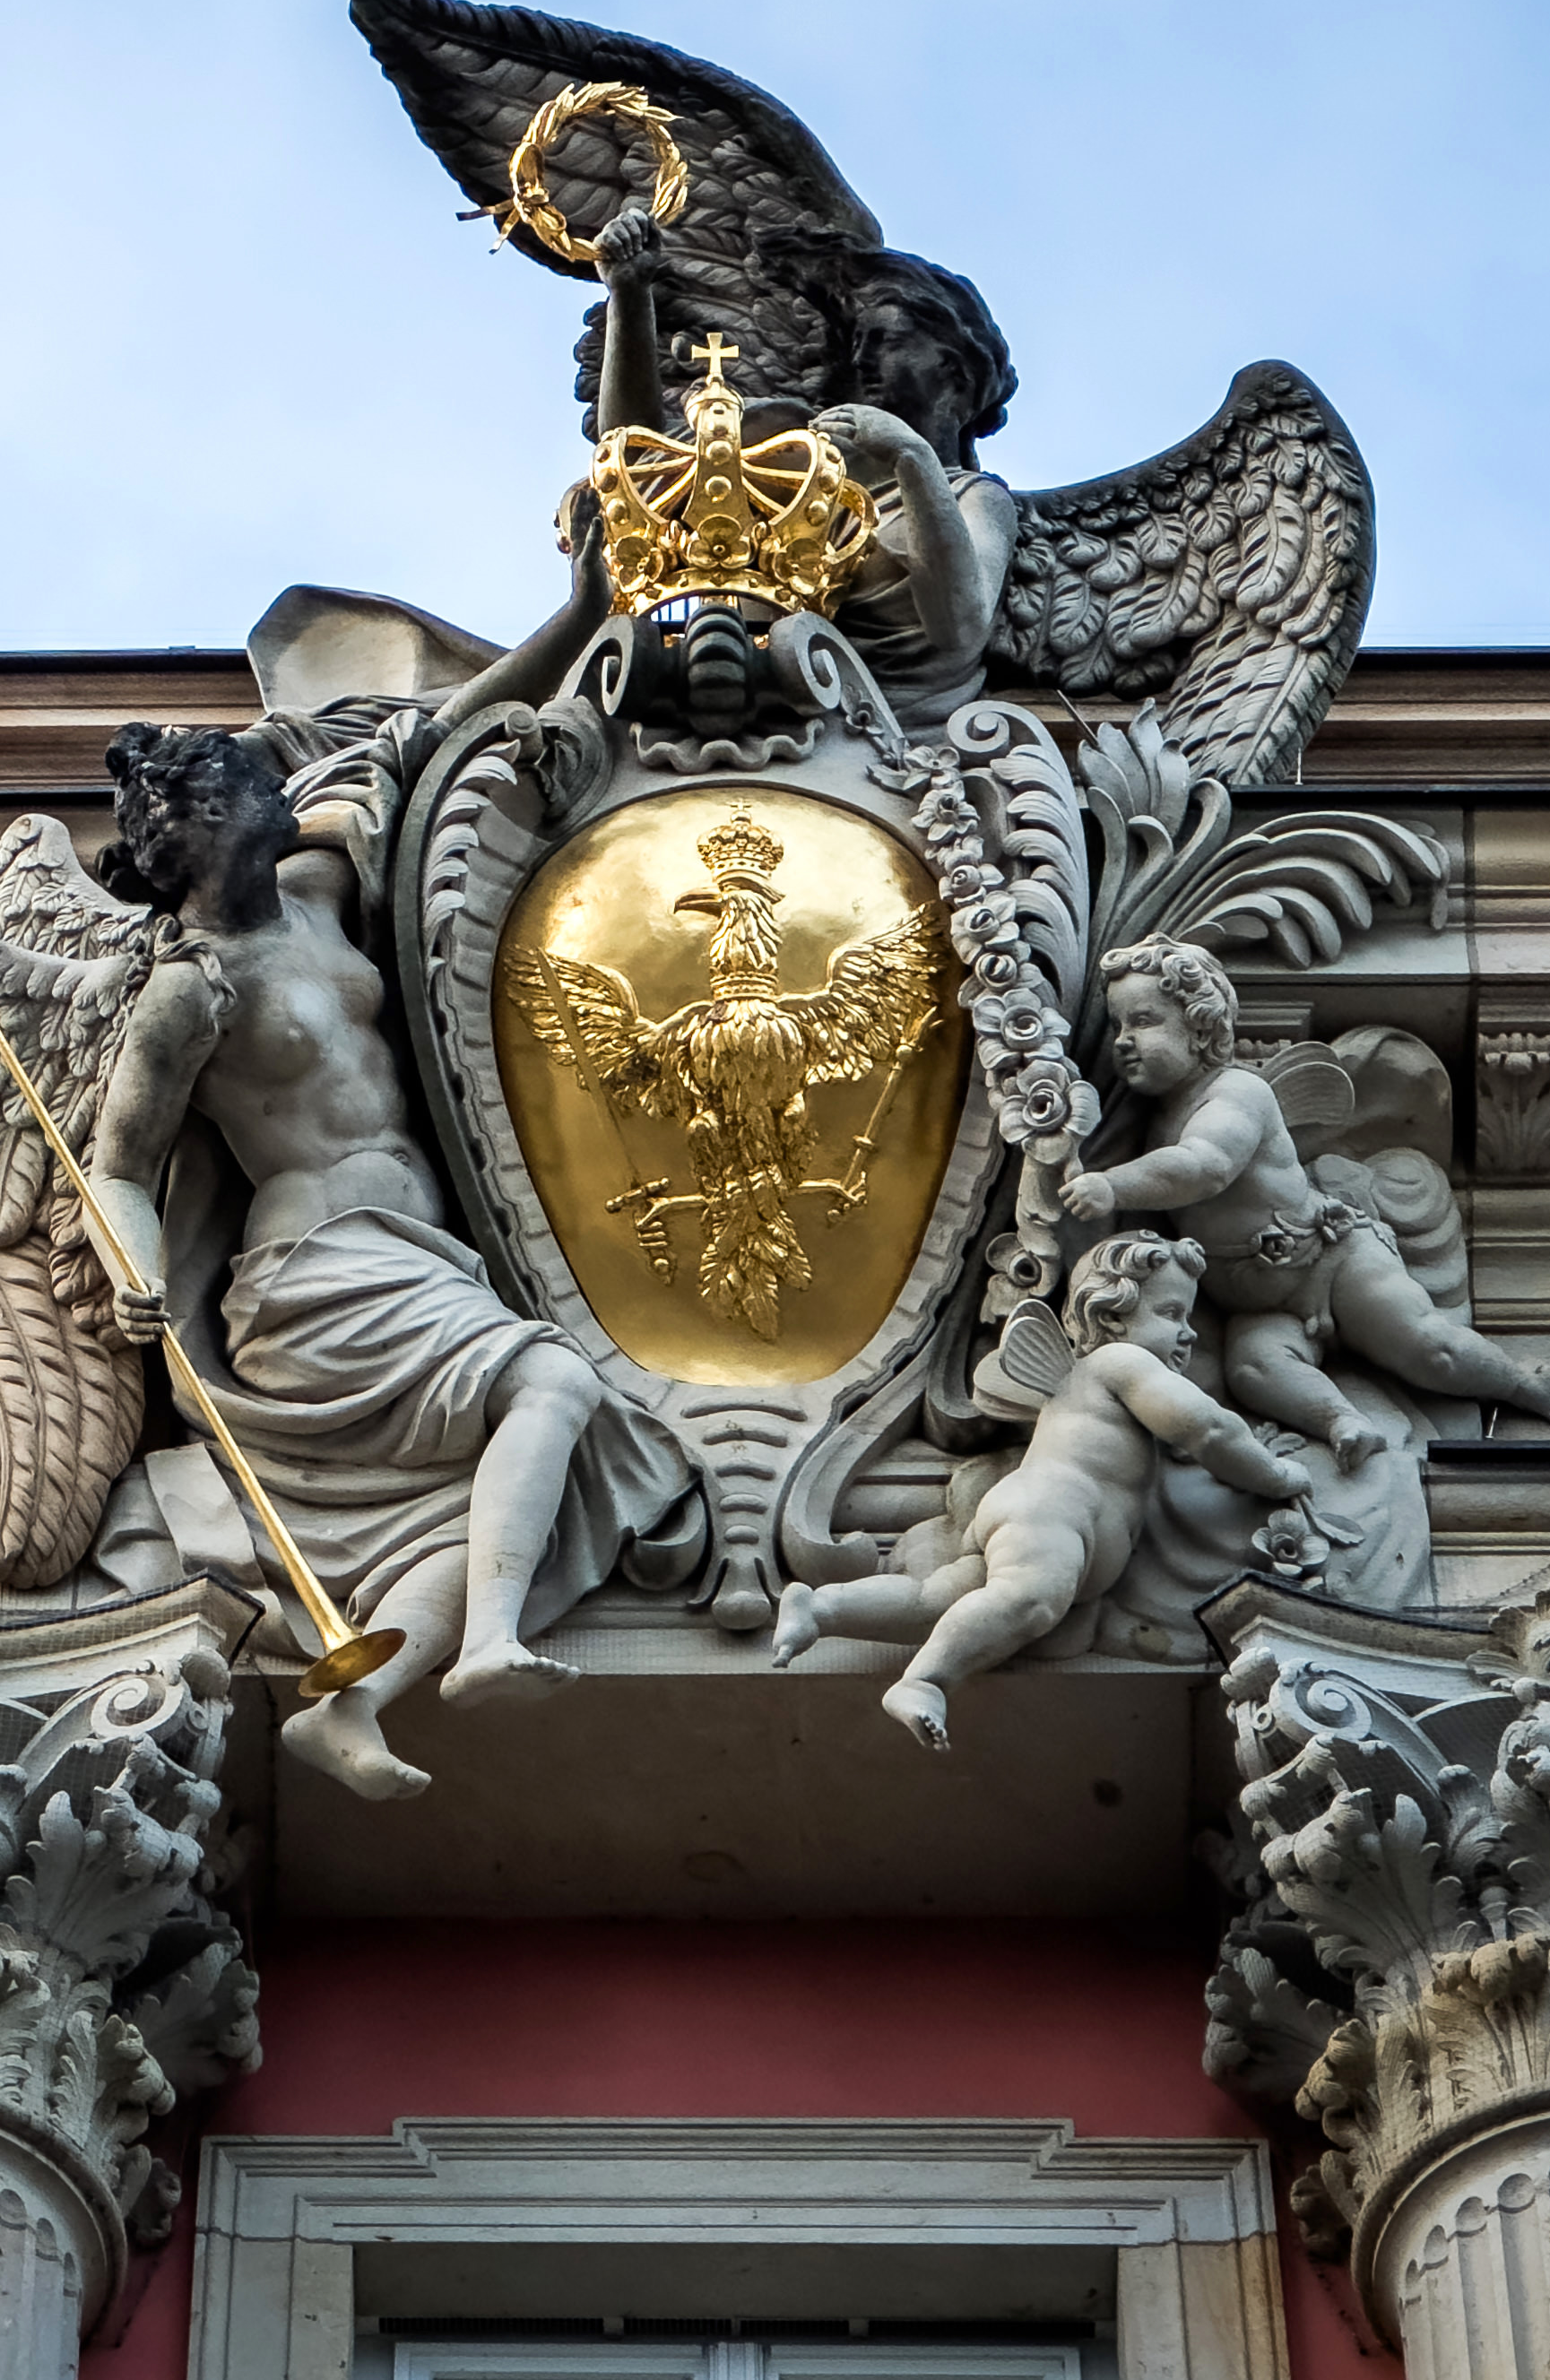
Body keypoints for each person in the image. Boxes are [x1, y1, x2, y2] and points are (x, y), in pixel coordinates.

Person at [86, 721, 696, 1803]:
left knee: (491, 1504)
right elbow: (118, 1167)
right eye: (257, 783)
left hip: (415, 1253)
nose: (285, 793)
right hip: (315, 1271)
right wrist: (136, 1273)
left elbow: (422, 748)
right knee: (553, 1384)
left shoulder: (313, 893)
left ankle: (355, 1702)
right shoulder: (189, 992)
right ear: (212, 816)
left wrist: (566, 639)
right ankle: (491, 1638)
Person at [771, 1233, 1307, 1748]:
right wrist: (1275, 1475)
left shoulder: (1094, 1390)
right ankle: (925, 1681)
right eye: (1171, 1314)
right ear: (1111, 1317)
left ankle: (822, 1609)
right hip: (1052, 1511)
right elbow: (1207, 1429)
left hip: (1031, 1513)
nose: (1188, 1334)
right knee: (1030, 1601)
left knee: (936, 1599)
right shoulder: (1119, 1363)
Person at [1061, 940, 1550, 1452]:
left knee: (1426, 1346)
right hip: (1263, 1306)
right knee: (1253, 1369)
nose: (1124, 1041)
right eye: (1119, 1026)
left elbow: (1205, 1166)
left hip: (1332, 1262)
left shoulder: (1235, 1092)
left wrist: (1111, 1185)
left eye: (1144, 1021)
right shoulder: (1157, 1122)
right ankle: (1343, 1421)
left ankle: (1517, 1382)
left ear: (1200, 1028)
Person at [586, 208, 1019, 727]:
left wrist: (912, 456)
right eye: (859, 343)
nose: (862, 359)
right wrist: (629, 296)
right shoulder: (804, 462)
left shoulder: (975, 497)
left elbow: (960, 627)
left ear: (952, 369)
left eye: (886, 341)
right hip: (728, 702)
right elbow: (638, 465)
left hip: (895, 743)